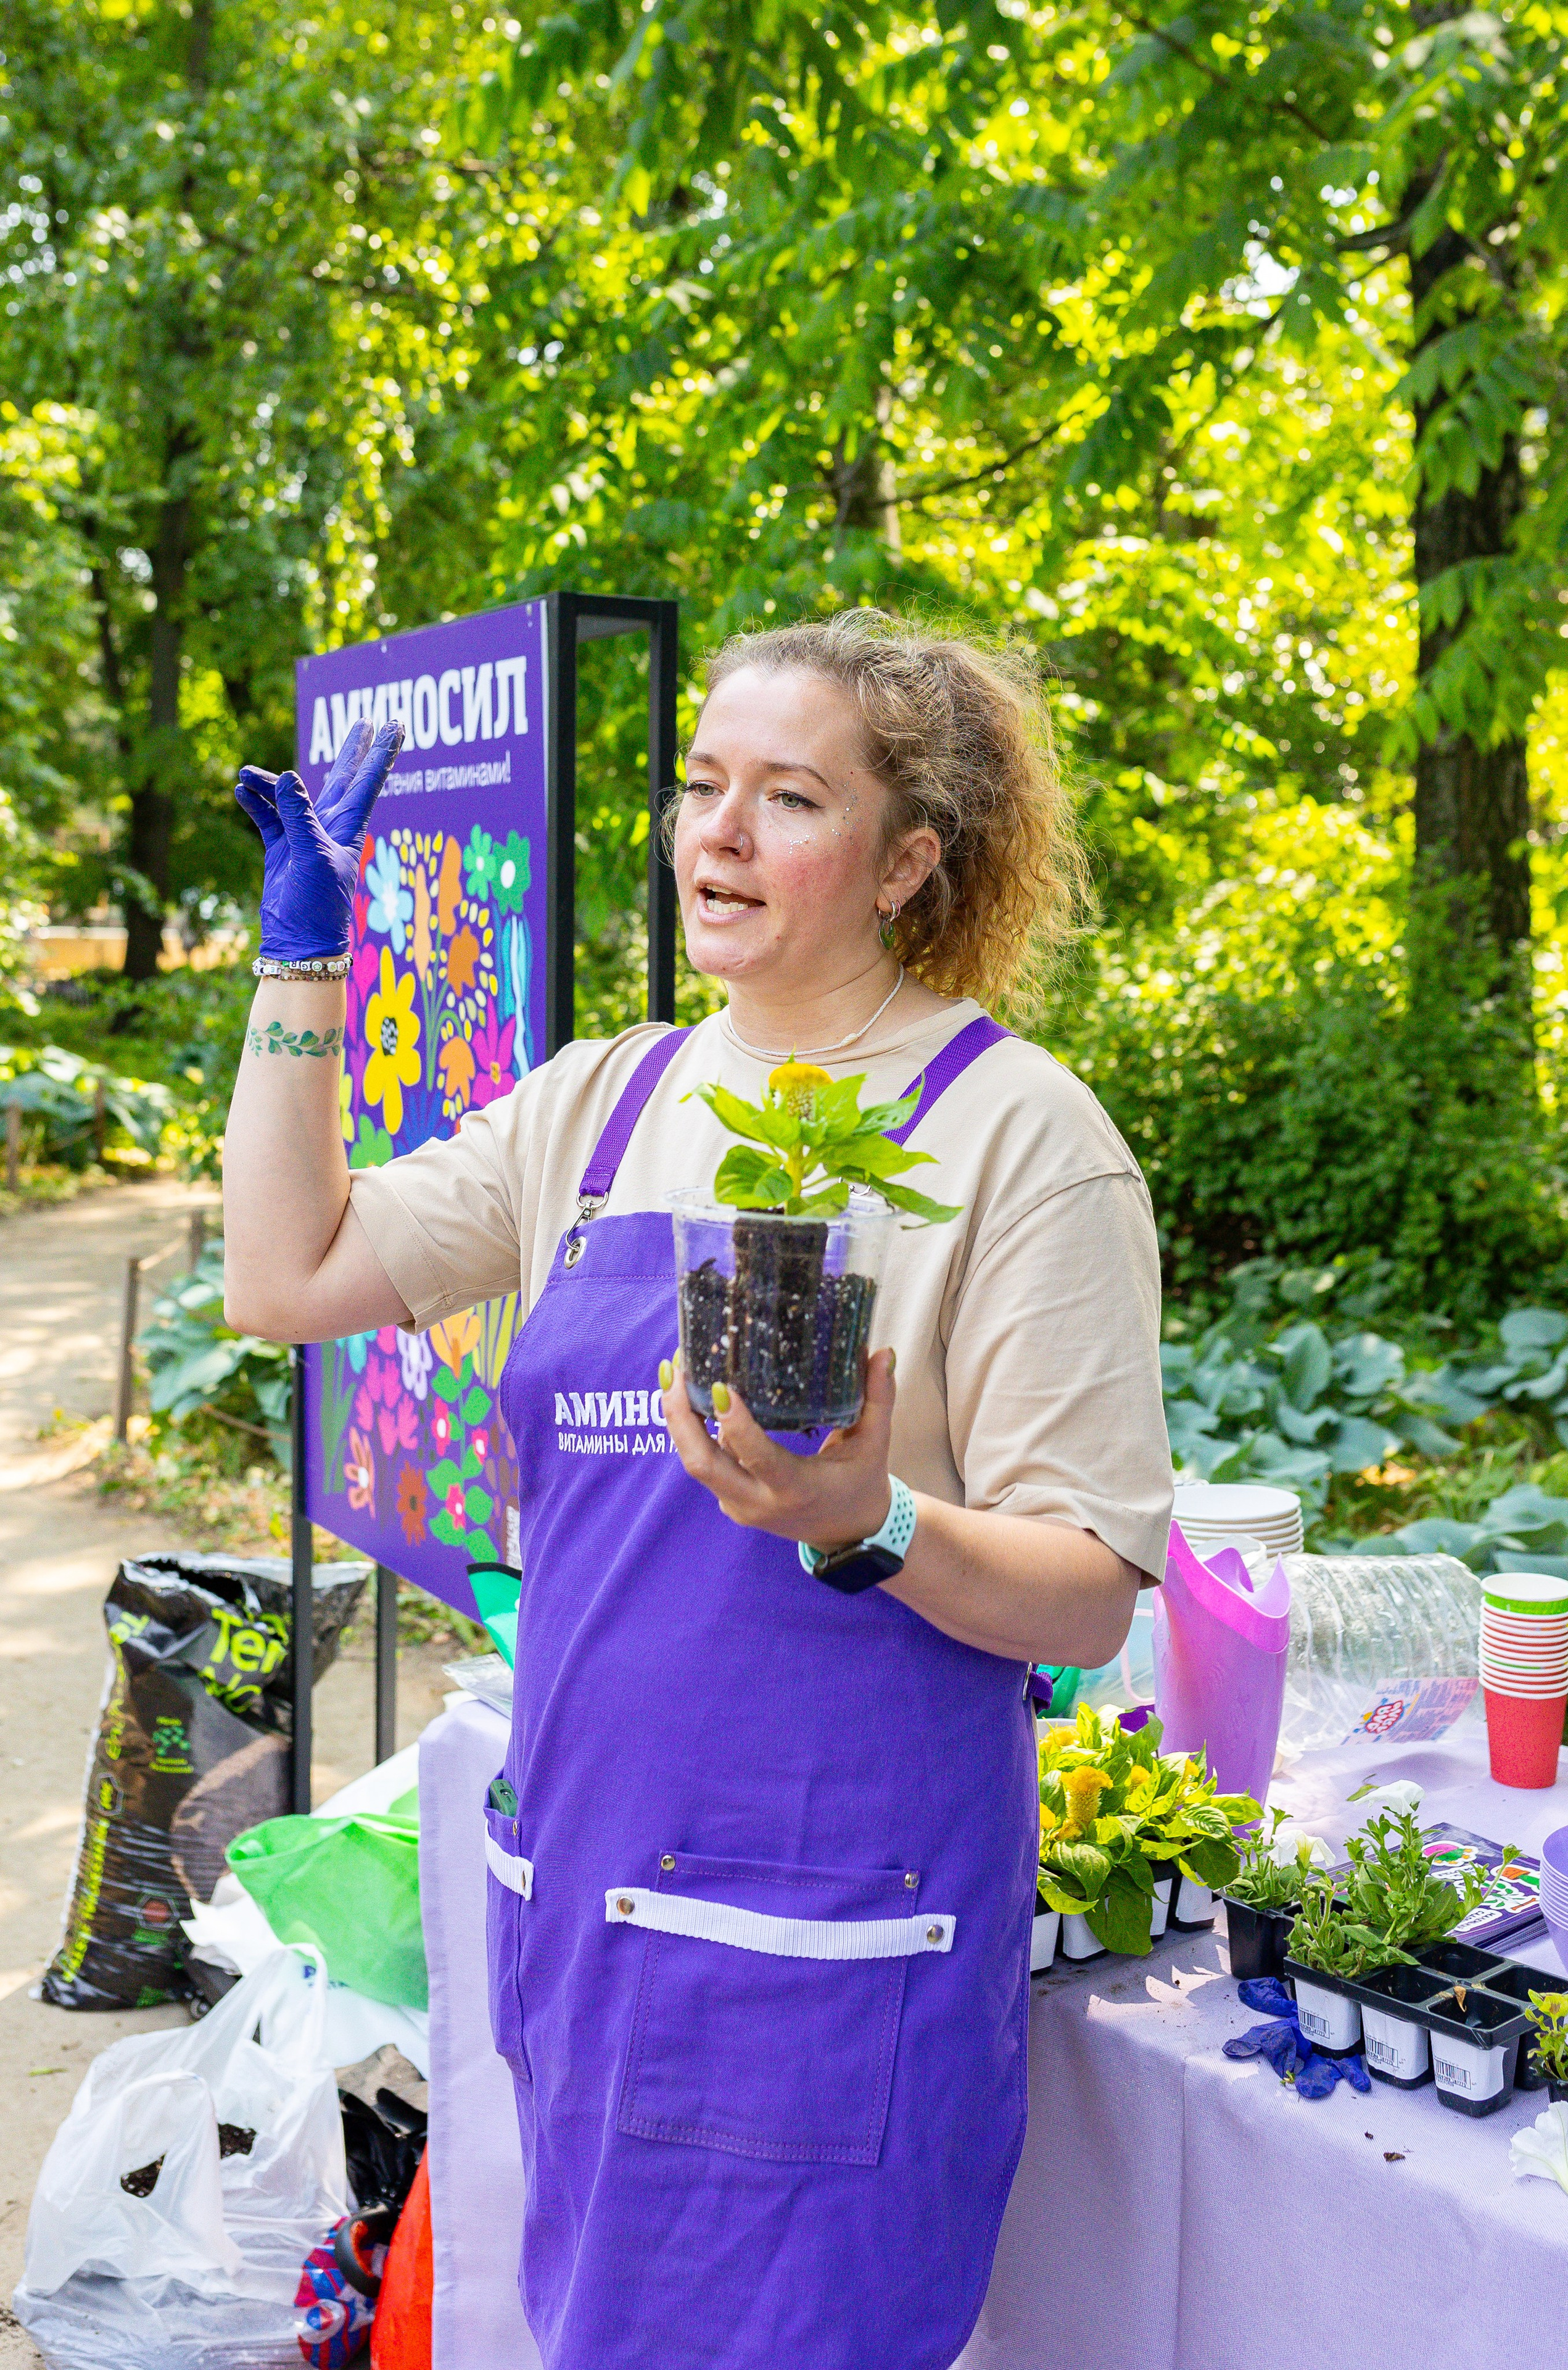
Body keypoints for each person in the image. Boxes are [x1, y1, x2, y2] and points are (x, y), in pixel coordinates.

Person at [223, 608, 1174, 2370]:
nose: (717, 834)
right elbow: (286, 1277)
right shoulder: (606, 1096)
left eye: (789, 797)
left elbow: (1092, 1585)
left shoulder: (1019, 1134)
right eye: (700, 783)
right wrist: (303, 967)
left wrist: (865, 1522)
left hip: (828, 1962)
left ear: (905, 864)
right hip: (591, 1922)